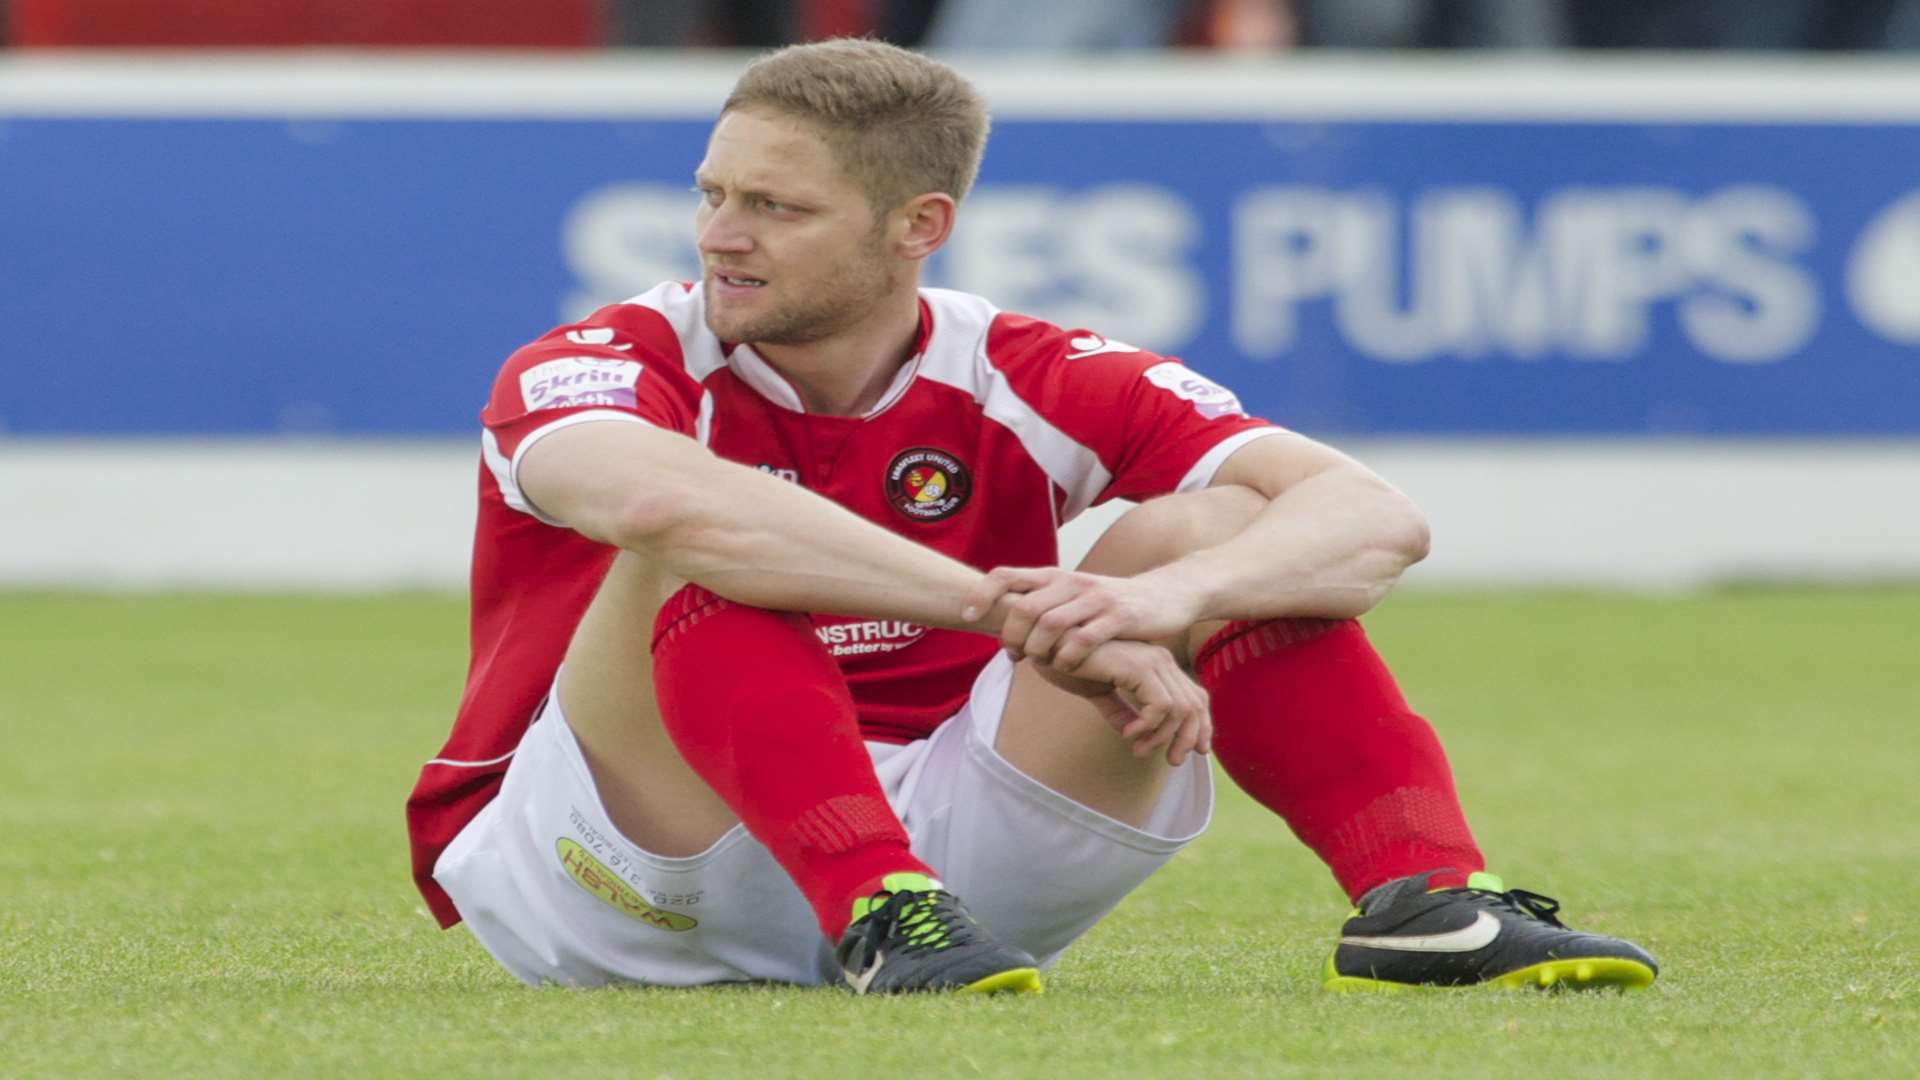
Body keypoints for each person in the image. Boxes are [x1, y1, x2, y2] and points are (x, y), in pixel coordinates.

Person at [404, 38, 1658, 995]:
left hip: (968, 876)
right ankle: (875, 905)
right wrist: (1010, 609)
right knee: (706, 533)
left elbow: (1375, 519)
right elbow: (652, 500)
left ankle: (1427, 896)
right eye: (713, 194)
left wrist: (1154, 603)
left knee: (1216, 530)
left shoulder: (1023, 366)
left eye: (776, 209)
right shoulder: (606, 354)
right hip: (625, 864)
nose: (722, 236)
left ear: (919, 230)